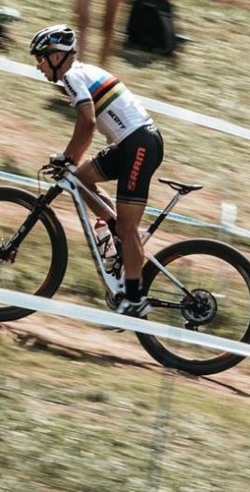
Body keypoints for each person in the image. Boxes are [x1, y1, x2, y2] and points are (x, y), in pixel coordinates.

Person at [30, 24, 164, 317]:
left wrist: (68, 157)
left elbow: (87, 123)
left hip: (138, 144)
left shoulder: (72, 76)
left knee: (128, 227)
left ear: (56, 56)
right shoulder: (79, 73)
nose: (38, 65)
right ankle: (115, 230)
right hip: (132, 142)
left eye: (41, 58)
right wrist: (70, 161)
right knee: (79, 179)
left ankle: (134, 298)